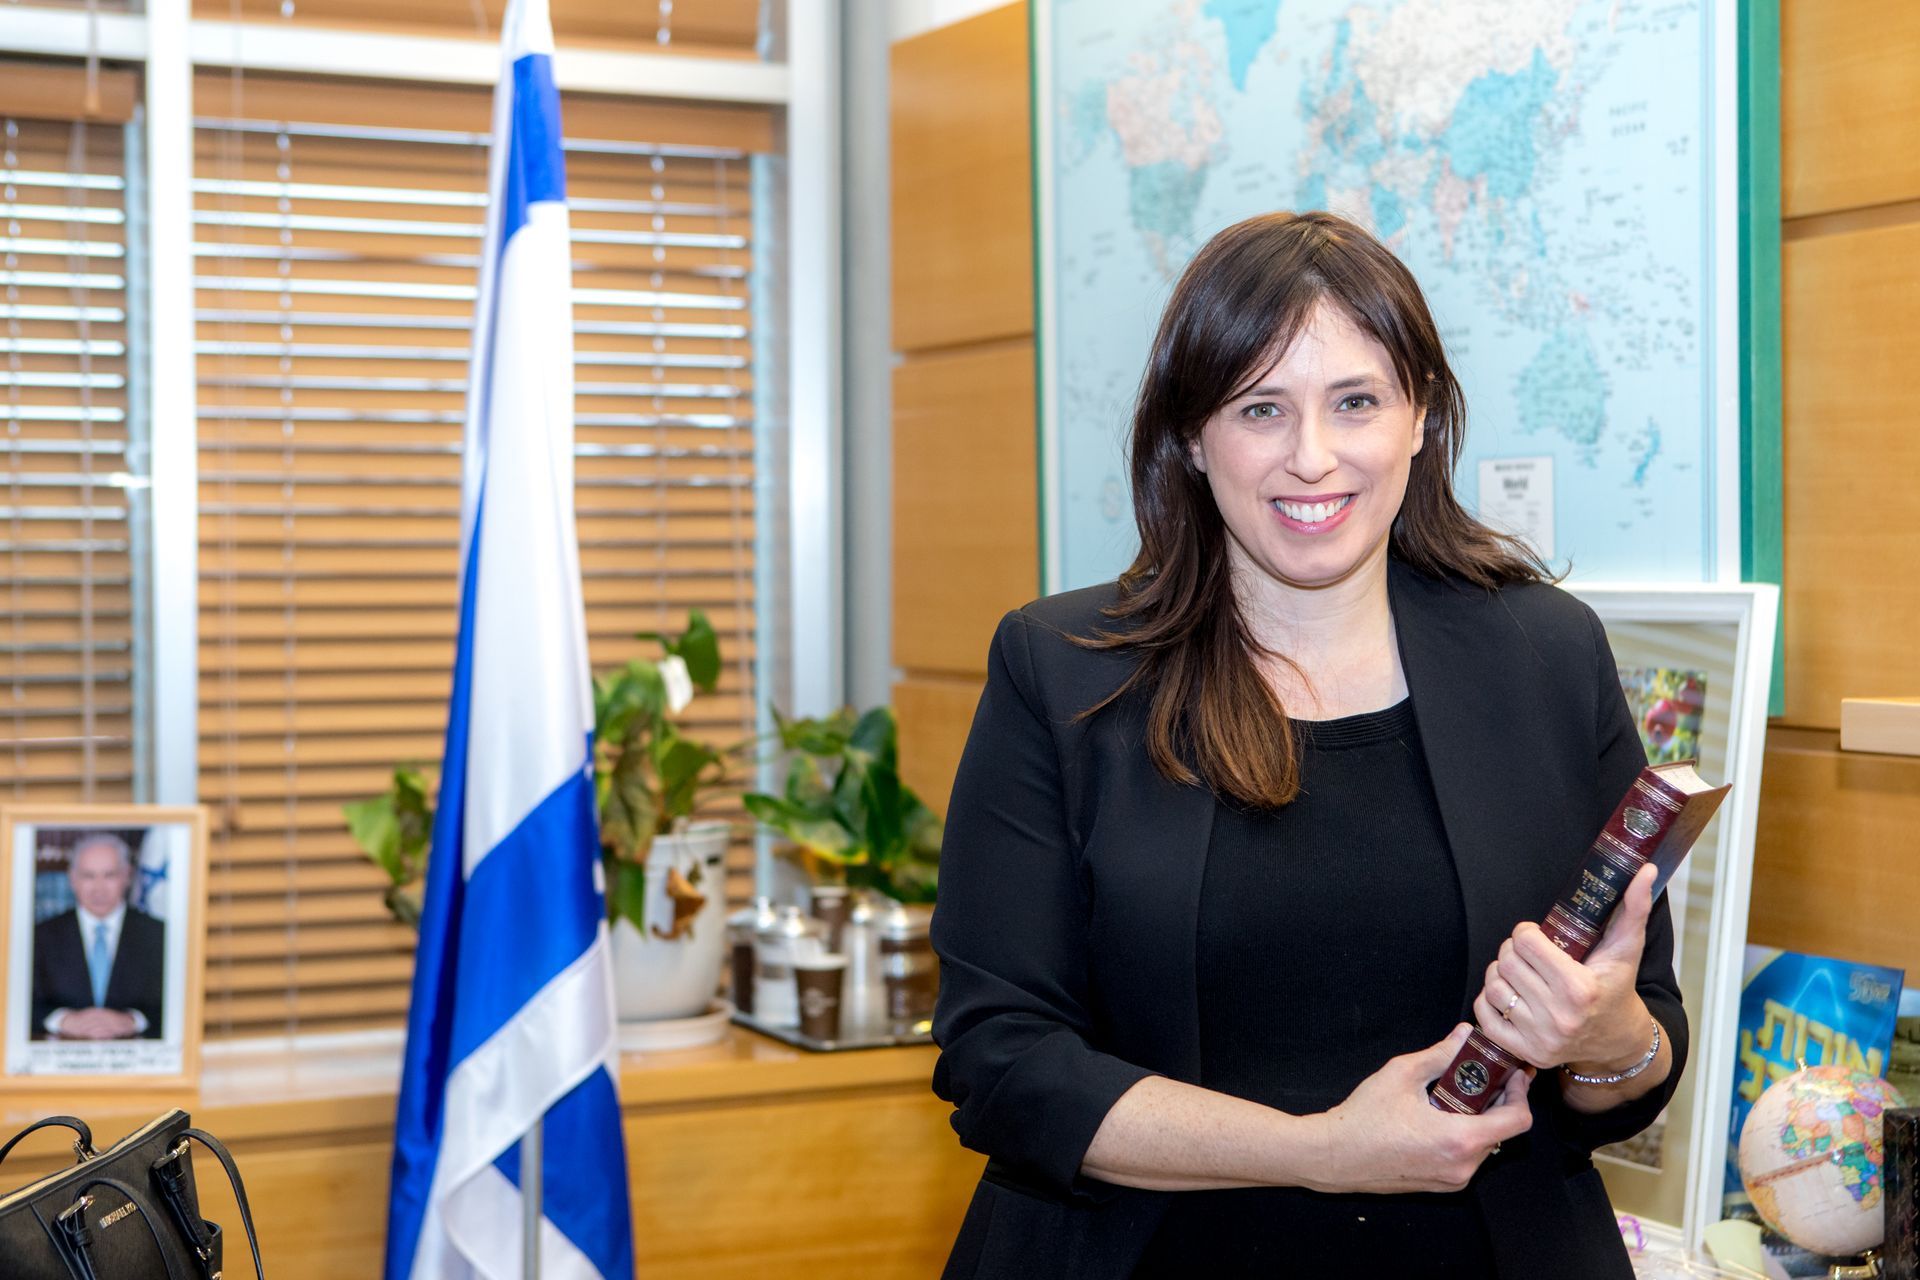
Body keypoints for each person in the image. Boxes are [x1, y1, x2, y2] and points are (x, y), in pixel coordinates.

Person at [929, 211, 1684, 1279]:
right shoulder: (1062, 670)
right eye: (1261, 408)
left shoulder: (1547, 654)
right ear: (1193, 438)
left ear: (1420, 417)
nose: (1313, 456)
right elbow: (1001, 1061)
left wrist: (1606, 1039)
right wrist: (1323, 1151)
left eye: (1356, 402)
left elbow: (1643, 1048)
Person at [31, 832, 166, 1041]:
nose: (99, 888)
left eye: (109, 875)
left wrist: (134, 1020)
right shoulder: (40, 936)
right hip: (62, 1053)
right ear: (72, 879)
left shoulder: (159, 935)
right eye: (88, 876)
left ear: (127, 876)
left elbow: (175, 1006)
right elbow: (21, 1005)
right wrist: (61, 1020)